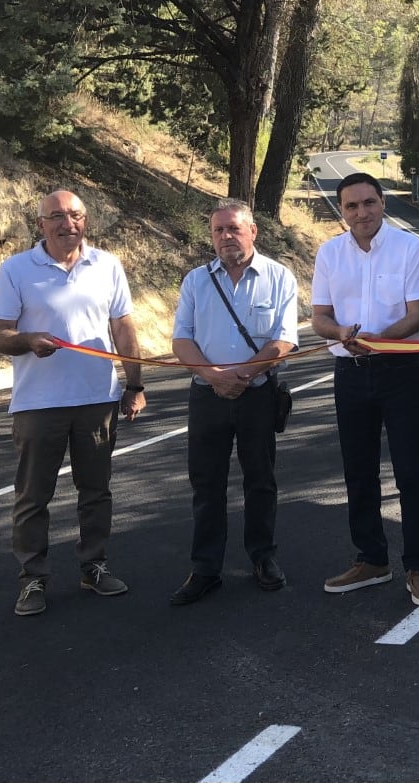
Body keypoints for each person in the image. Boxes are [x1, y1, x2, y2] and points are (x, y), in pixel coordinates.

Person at [0, 189, 148, 617]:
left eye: (75, 215)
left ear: (86, 221)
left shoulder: (107, 266)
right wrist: (26, 341)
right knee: (32, 496)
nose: (67, 223)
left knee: (95, 491)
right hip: (37, 404)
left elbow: (123, 326)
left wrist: (134, 384)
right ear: (40, 224)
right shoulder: (17, 269)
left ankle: (93, 565)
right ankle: (32, 579)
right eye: (56, 216)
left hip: (97, 400)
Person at [312, 172, 419, 607]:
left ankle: (418, 566)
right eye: (351, 206)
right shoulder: (329, 254)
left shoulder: (411, 249)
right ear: (342, 211)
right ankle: (372, 559)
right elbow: (320, 318)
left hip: (400, 369)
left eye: (369, 203)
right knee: (358, 471)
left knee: (410, 471)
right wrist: (341, 332)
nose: (361, 213)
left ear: (382, 203)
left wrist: (379, 338)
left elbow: (418, 315)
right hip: (349, 373)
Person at [169, 199, 299, 605]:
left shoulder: (279, 278)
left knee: (260, 480)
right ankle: (206, 568)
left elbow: (284, 340)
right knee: (206, 485)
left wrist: (241, 376)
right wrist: (213, 377)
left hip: (257, 396)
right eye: (218, 231)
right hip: (207, 397)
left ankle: (263, 558)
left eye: (234, 229)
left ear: (252, 231)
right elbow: (181, 340)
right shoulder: (195, 281)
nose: (226, 237)